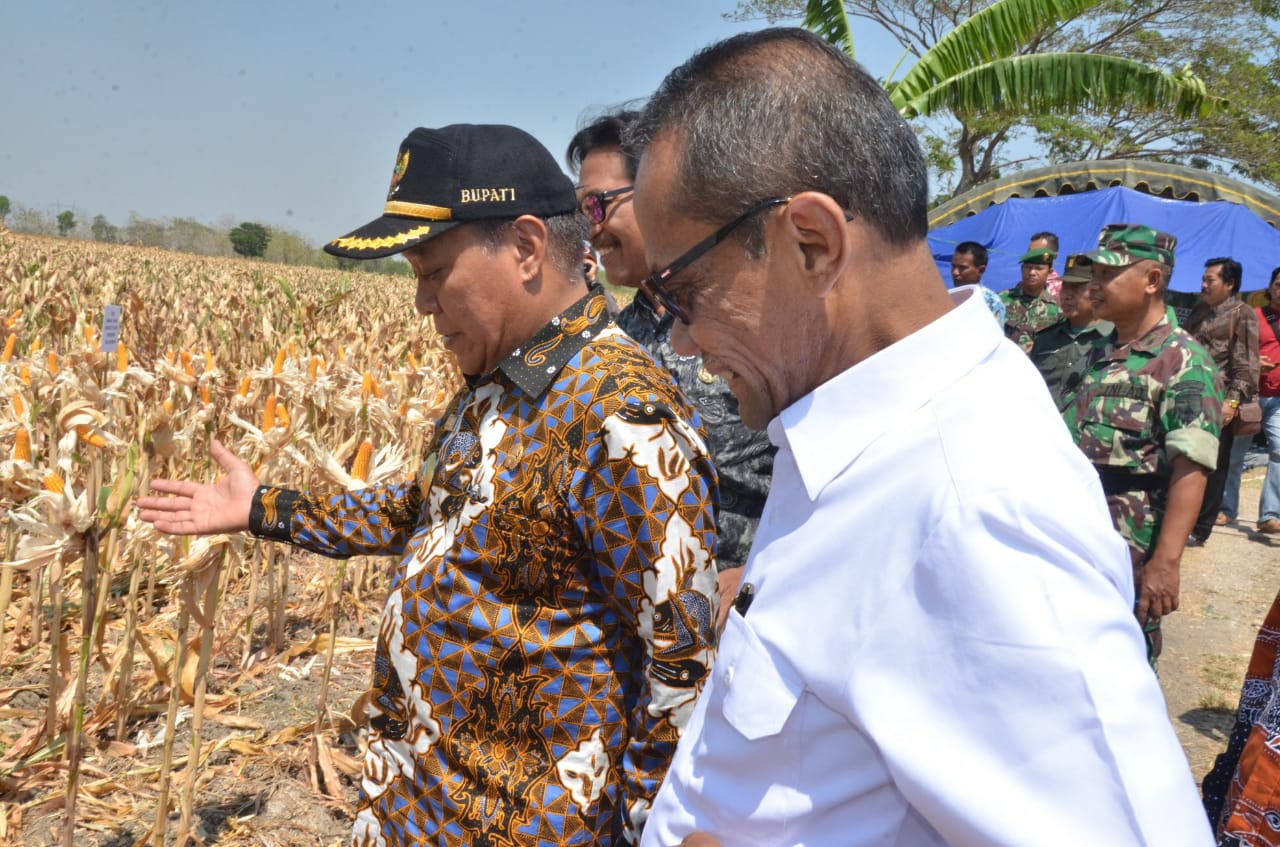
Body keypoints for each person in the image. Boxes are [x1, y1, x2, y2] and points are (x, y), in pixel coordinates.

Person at [623, 27, 1213, 847]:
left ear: (812, 242)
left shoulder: (975, 508)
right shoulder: (851, 423)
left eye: (681, 290)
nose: (680, 341)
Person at [138, 124, 721, 846]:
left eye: (433, 270)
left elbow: (681, 668)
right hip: (417, 810)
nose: (420, 302)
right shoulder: (497, 383)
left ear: (528, 247)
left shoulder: (622, 415)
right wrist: (264, 508)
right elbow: (420, 511)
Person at [566, 111, 776, 624]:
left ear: (659, 192)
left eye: (597, 205)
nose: (588, 228)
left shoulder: (754, 321)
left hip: (741, 617)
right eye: (578, 211)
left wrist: (761, 568)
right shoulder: (618, 335)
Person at [1063, 225, 1223, 666]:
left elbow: (1192, 467)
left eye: (1107, 274)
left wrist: (1166, 563)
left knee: (1120, 668)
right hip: (1078, 538)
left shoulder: (1183, 361)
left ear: (1152, 280)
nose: (1093, 286)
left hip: (1130, 549)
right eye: (1091, 274)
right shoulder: (1098, 353)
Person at [1182, 258, 1260, 543]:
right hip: (1189, 393)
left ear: (1229, 284)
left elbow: (1247, 365)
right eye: (1203, 279)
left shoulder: (1243, 314)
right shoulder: (1200, 309)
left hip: (1218, 399)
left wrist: (1232, 402)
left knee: (1214, 465)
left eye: (1210, 280)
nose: (1203, 284)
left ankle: (1200, 529)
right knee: (1184, 456)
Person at [1029, 251, 1114, 410]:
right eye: (1065, 287)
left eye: (1076, 288)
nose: (1067, 295)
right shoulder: (1045, 339)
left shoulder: (1114, 341)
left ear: (1097, 290)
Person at [1001, 244, 1062, 352]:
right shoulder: (1002, 299)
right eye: (1028, 267)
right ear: (1022, 269)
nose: (1032, 272)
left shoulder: (1057, 309)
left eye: (1039, 268)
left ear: (1049, 272)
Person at [948, 240, 1005, 326]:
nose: (955, 272)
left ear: (981, 270)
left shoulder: (990, 302)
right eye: (953, 266)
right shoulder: (948, 298)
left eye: (962, 268)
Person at [1029, 230, 1063, 301]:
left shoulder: (1061, 290)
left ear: (1054, 256)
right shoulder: (1022, 285)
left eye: (1039, 253)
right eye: (1030, 252)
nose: (1032, 257)